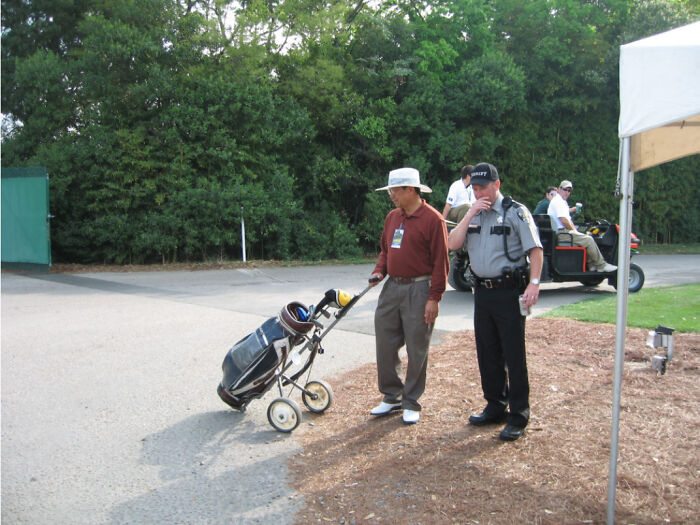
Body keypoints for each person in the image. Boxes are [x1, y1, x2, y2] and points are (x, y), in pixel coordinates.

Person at [447, 162, 543, 441]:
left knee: (513, 354)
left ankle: (518, 414)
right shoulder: (473, 212)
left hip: (509, 292)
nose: (478, 193)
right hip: (483, 293)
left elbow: (535, 250)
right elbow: (452, 244)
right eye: (474, 188)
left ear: (497, 185)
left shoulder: (516, 212)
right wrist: (470, 215)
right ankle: (495, 405)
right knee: (487, 352)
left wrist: (533, 284)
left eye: (483, 188)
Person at [369, 167, 449, 425]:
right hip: (392, 287)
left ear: (410, 190)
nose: (391, 195)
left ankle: (411, 401)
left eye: (395, 190)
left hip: (420, 288)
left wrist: (434, 297)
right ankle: (391, 395)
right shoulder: (393, 217)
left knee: (417, 347)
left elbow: (441, 262)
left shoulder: (433, 219)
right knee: (385, 340)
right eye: (390, 190)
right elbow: (385, 251)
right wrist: (379, 271)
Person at [547, 180, 617, 273]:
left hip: (561, 232)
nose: (567, 192)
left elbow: (568, 220)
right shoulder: (558, 201)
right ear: (559, 189)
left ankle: (591, 266)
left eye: (569, 191)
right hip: (561, 233)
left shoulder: (561, 201)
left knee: (584, 237)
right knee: (589, 240)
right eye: (565, 189)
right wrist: (575, 231)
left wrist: (575, 230)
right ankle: (602, 265)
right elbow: (564, 220)